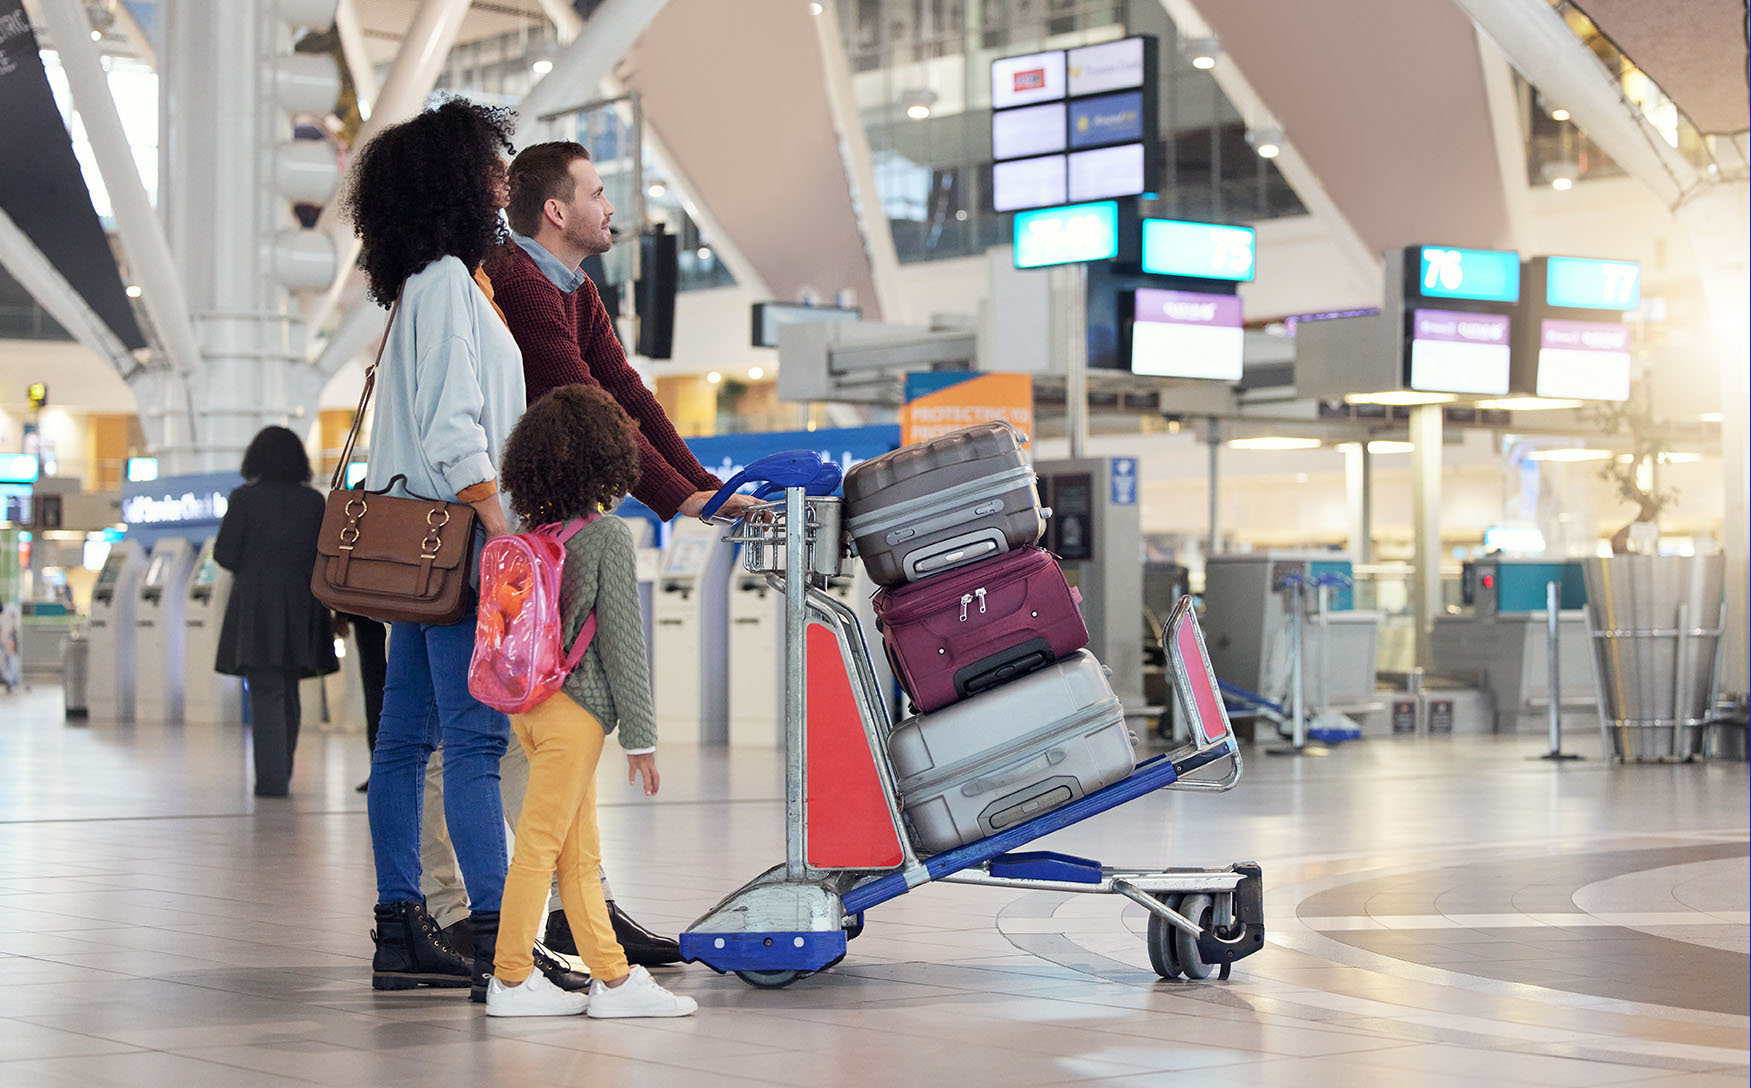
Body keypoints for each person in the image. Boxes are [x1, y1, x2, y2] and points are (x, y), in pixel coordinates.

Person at [487, 139, 760, 962]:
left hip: (539, 527)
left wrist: (701, 486)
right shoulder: (520, 285)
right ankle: (518, 922)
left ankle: (581, 910)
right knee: (514, 732)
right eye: (598, 193)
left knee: (544, 727)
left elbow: (627, 389)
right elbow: (583, 400)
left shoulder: (573, 286)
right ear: (556, 211)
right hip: (506, 530)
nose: (611, 208)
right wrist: (679, 497)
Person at [343, 97, 588, 1000]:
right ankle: (501, 939)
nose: (501, 178)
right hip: (459, 542)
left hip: (416, 548)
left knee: (404, 741)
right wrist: (504, 537)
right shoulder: (446, 280)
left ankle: (400, 926)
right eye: (490, 164)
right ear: (455, 178)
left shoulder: (427, 284)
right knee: (477, 743)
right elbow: (455, 430)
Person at [485, 383, 696, 1018]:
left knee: (578, 855)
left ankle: (613, 978)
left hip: (527, 707)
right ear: (607, 458)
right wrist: (642, 738)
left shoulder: (529, 530)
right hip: (574, 716)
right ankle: (511, 979)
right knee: (542, 849)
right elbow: (624, 646)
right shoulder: (605, 538)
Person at [212, 426, 337, 797]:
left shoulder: (243, 499)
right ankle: (281, 769)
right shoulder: (313, 502)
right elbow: (322, 557)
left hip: (256, 608)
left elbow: (225, 554)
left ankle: (272, 780)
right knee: (288, 688)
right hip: (303, 607)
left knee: (265, 690)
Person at [331, 612, 387, 792]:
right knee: (380, 692)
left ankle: (380, 770)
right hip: (406, 605)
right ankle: (381, 770)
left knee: (376, 691)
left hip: (370, 609)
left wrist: (342, 612)